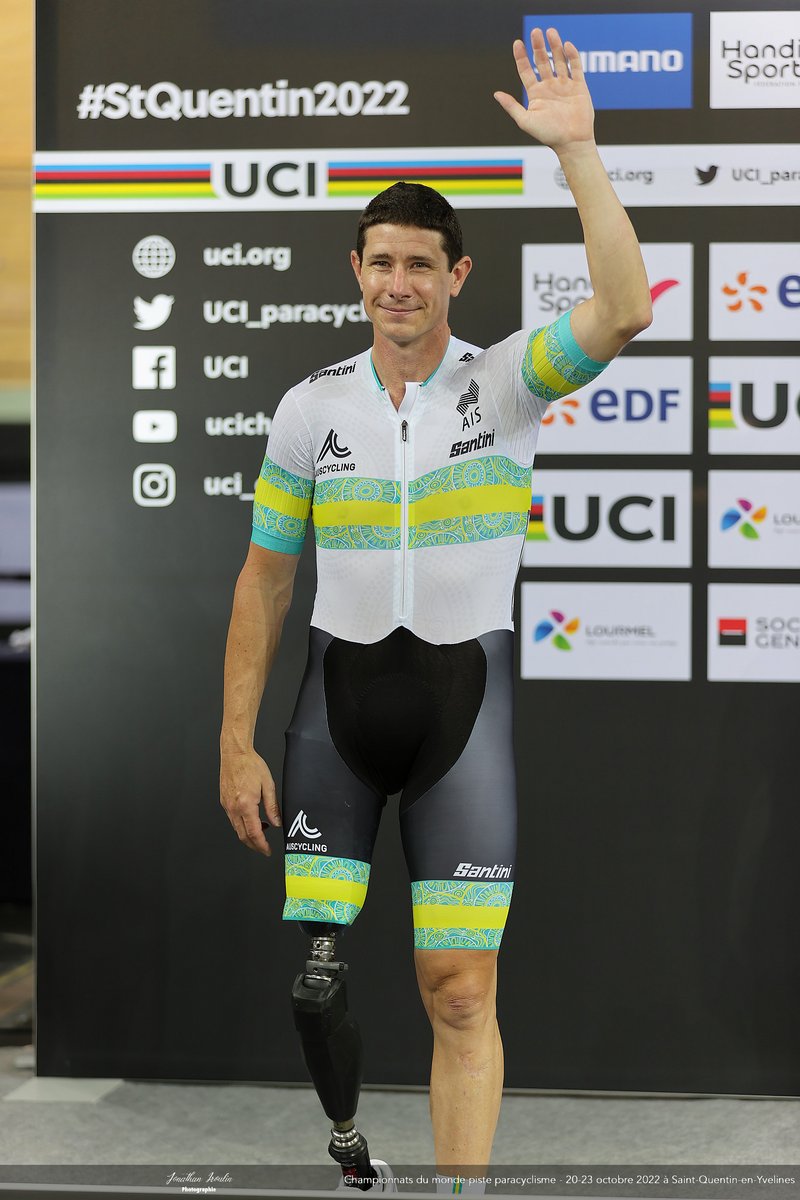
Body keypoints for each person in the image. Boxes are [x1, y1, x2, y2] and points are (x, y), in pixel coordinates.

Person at [220, 26, 652, 1195]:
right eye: (380, 263)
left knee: (459, 991)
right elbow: (265, 578)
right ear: (355, 272)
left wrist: (577, 154)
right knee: (316, 989)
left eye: (420, 263)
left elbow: (623, 309)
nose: (397, 283)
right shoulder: (309, 407)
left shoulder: (506, 382)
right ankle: (348, 1145)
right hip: (334, 717)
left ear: (455, 276)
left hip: (464, 714)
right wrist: (233, 741)